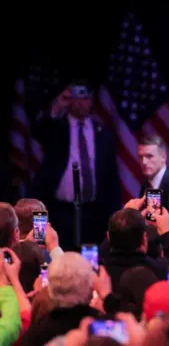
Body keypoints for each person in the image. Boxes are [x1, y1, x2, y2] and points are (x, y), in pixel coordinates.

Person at [29, 80, 120, 248]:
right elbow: (39, 133)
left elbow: (111, 176)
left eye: (85, 98)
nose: (80, 103)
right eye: (76, 97)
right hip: (60, 211)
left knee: (90, 259)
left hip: (94, 212)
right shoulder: (56, 127)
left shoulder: (103, 132)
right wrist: (58, 105)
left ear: (92, 100)